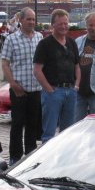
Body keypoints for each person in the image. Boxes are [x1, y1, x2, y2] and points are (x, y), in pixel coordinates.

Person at [1, 7, 42, 165]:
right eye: (28, 19)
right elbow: (5, 64)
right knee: (17, 124)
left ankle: (30, 155)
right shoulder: (12, 39)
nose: (31, 22)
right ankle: (15, 157)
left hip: (36, 89)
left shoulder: (39, 37)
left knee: (33, 124)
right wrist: (13, 84)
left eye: (33, 19)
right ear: (21, 20)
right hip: (19, 89)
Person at [33, 9, 80, 142]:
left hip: (70, 91)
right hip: (54, 91)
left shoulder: (72, 43)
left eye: (66, 23)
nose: (64, 26)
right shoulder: (44, 44)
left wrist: (76, 86)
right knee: (49, 133)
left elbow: (77, 66)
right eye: (60, 24)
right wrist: (49, 90)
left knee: (68, 133)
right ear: (53, 24)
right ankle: (47, 161)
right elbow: (37, 70)